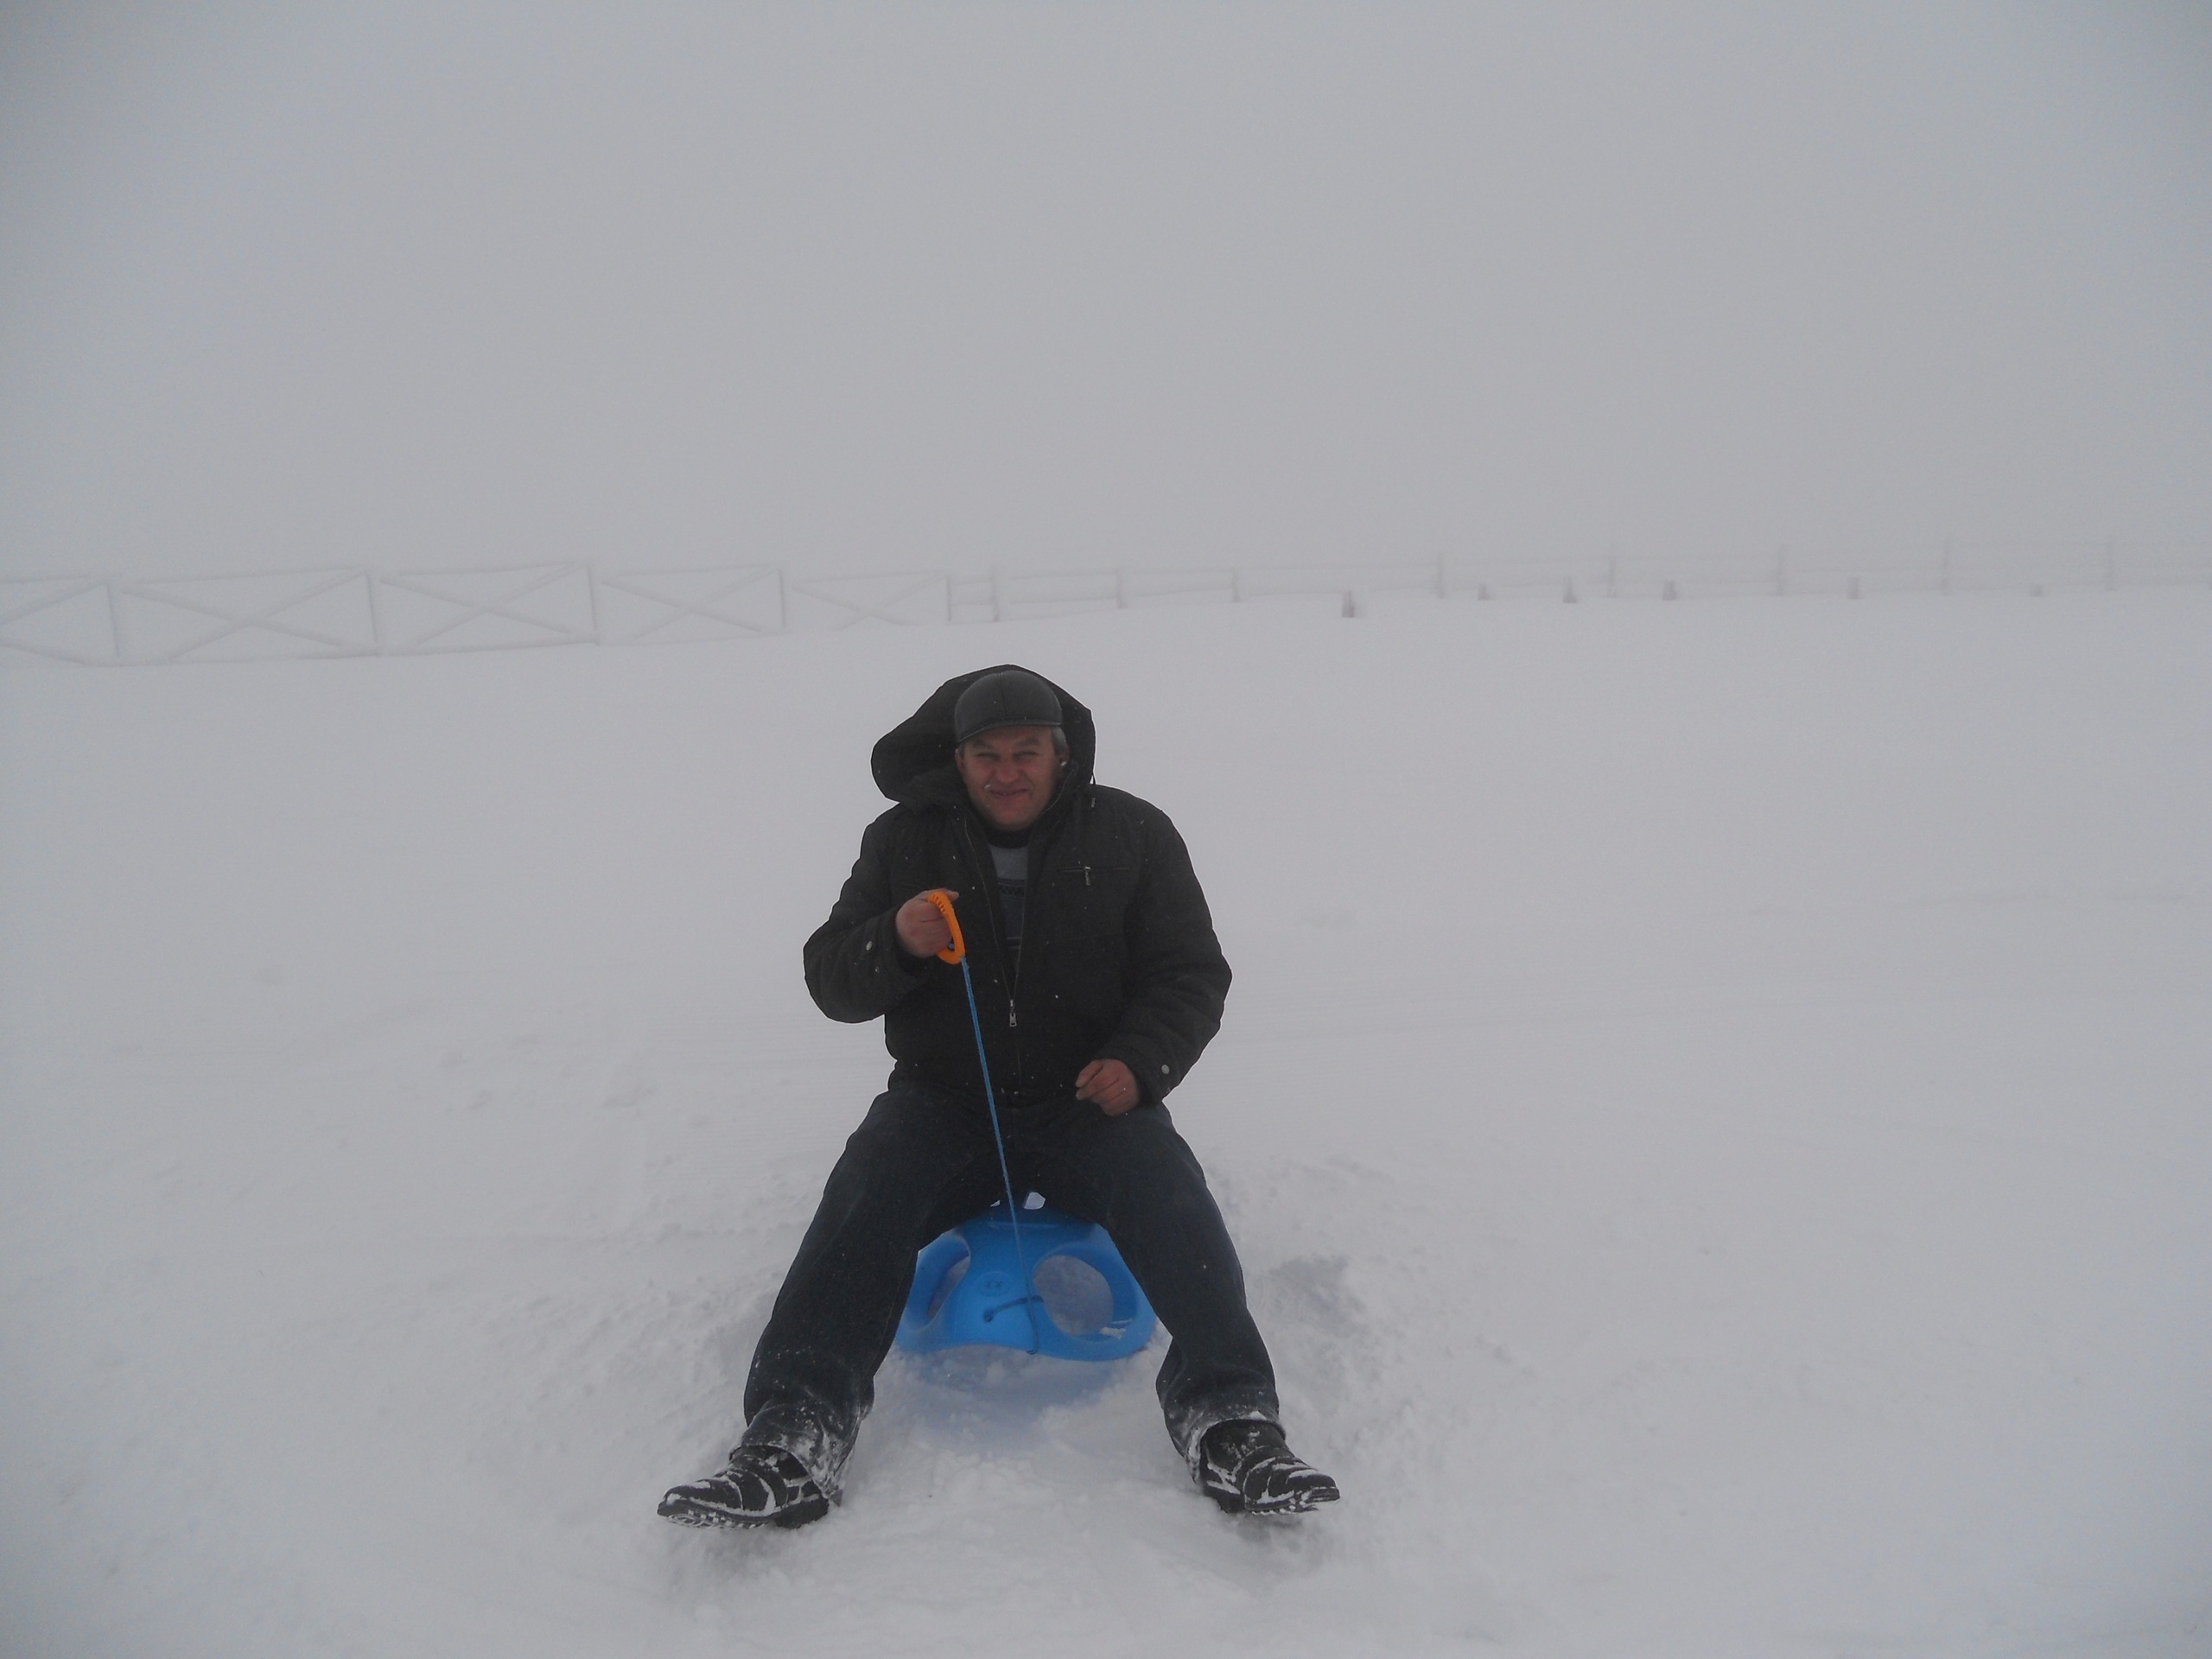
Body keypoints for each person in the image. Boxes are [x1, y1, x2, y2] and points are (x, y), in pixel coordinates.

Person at [658, 666, 1338, 1529]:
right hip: (942, 1101)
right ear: (959, 760)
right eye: (987, 754)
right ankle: (793, 1436)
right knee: (867, 1189)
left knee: (1170, 1194)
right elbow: (831, 979)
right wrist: (893, 940)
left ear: (1062, 755)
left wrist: (1139, 1064)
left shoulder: (1134, 832)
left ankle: (1232, 1423)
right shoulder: (902, 840)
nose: (1006, 772)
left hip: (1088, 1101)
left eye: (1026, 753)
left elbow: (1189, 974)